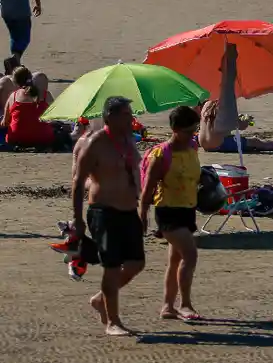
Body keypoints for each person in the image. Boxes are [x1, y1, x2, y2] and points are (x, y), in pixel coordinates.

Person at [71, 96, 147, 336]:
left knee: (136, 263)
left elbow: (135, 172)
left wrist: (143, 208)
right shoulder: (95, 143)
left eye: (130, 114)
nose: (130, 118)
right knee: (112, 267)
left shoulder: (129, 140)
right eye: (125, 114)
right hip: (103, 211)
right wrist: (79, 218)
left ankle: (100, 299)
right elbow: (78, 181)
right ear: (109, 117)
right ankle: (112, 321)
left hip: (128, 210)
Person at [138, 106, 203, 321]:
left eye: (195, 130)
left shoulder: (192, 147)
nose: (192, 135)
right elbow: (147, 190)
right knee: (190, 255)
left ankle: (167, 306)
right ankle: (185, 305)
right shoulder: (161, 154)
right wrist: (142, 215)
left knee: (175, 259)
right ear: (175, 129)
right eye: (188, 131)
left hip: (188, 209)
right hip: (168, 212)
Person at [1, 66, 62, 149]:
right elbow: (54, 117)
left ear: (15, 83)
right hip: (43, 137)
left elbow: (5, 123)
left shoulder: (13, 96)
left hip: (16, 138)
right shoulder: (45, 95)